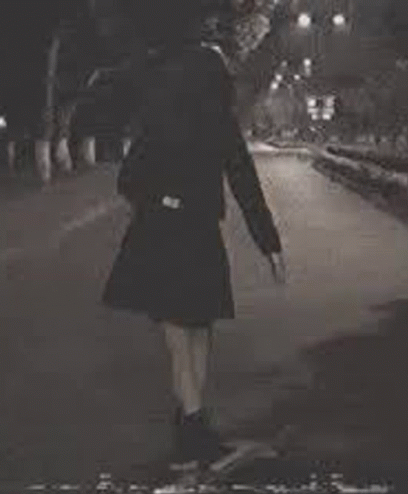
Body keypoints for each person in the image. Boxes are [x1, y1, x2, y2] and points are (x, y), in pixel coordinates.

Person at [101, 1, 286, 470]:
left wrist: (156, 201)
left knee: (192, 330)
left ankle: (191, 430)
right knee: (189, 332)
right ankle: (194, 433)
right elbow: (239, 171)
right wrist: (268, 241)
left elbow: (131, 177)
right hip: (186, 228)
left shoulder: (180, 100)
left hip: (176, 226)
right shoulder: (202, 97)